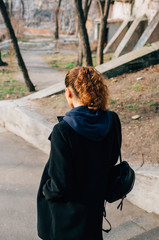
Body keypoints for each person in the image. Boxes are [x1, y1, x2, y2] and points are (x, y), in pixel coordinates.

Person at [37, 66, 121, 240]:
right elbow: (112, 159)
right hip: (94, 205)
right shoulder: (112, 120)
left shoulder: (63, 131)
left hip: (68, 214)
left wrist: (46, 190)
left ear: (68, 93)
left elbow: (61, 184)